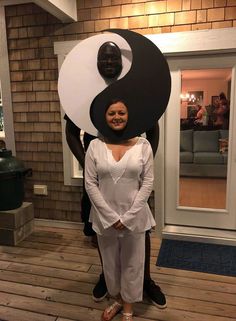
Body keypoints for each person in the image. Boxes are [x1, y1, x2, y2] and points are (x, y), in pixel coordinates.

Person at [85, 99, 157, 321]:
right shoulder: (95, 146)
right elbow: (90, 183)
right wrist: (109, 216)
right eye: (112, 113)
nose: (117, 117)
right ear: (104, 118)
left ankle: (128, 308)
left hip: (134, 218)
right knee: (110, 263)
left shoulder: (143, 146)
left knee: (133, 263)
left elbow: (148, 182)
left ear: (129, 116)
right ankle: (116, 298)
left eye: (122, 113)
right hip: (103, 218)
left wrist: (128, 217)